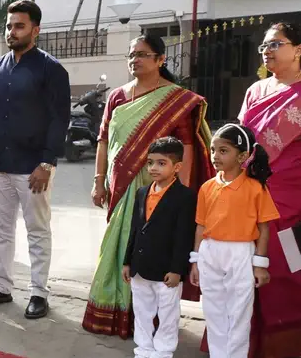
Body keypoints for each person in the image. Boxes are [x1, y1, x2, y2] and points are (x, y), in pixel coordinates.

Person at [82, 33, 211, 336]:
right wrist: (99, 181)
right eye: (131, 54)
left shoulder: (176, 98)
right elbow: (103, 140)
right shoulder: (117, 96)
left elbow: (187, 146)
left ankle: (149, 322)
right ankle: (112, 312)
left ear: (160, 60)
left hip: (156, 187)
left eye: (142, 54)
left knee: (152, 247)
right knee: (118, 246)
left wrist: (182, 190)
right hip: (121, 184)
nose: (135, 60)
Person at [236, 22, 301, 358]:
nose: (267, 51)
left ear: (299, 49)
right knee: (244, 261)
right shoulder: (256, 90)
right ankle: (240, 340)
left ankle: (280, 345)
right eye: (264, 45)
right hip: (249, 189)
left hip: (290, 195)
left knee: (279, 268)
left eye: (276, 44)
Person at [0, 0, 69, 319]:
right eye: (9, 26)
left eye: (19, 26)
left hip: (33, 168)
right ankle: (0, 286)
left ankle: (39, 291)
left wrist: (46, 163)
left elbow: (59, 119)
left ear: (35, 30)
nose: (12, 31)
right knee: (0, 229)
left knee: (37, 230)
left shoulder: (51, 70)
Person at [189, 124, 279, 358]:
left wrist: (259, 264)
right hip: (211, 252)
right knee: (214, 309)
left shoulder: (255, 188)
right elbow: (200, 226)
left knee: (238, 311)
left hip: (240, 252)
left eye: (223, 150)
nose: (215, 155)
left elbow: (264, 228)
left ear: (242, 156)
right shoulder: (207, 187)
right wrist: (195, 260)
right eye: (214, 150)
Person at [121, 137, 197, 358]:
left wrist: (177, 269)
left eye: (161, 163)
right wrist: (127, 261)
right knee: (142, 311)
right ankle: (143, 350)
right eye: (150, 163)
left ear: (176, 167)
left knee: (167, 314)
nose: (153, 168)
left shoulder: (185, 197)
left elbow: (183, 236)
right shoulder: (142, 192)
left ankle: (163, 356)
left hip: (166, 271)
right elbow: (134, 229)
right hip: (140, 267)